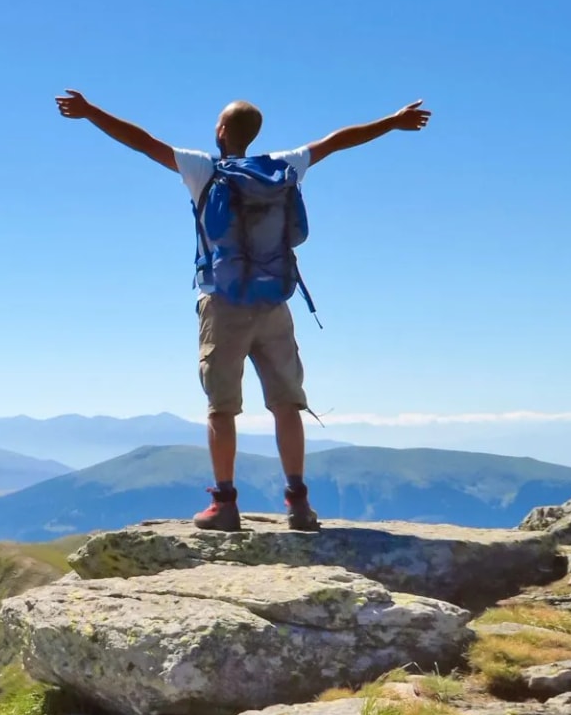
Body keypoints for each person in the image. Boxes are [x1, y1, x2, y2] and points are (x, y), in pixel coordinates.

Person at [54, 90, 431, 532]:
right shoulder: (285, 166)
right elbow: (337, 140)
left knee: (221, 407)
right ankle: (299, 504)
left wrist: (90, 112)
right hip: (274, 303)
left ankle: (225, 504)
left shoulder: (203, 169)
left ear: (220, 131)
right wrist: (392, 120)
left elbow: (142, 141)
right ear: (253, 134)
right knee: (287, 404)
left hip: (222, 303)